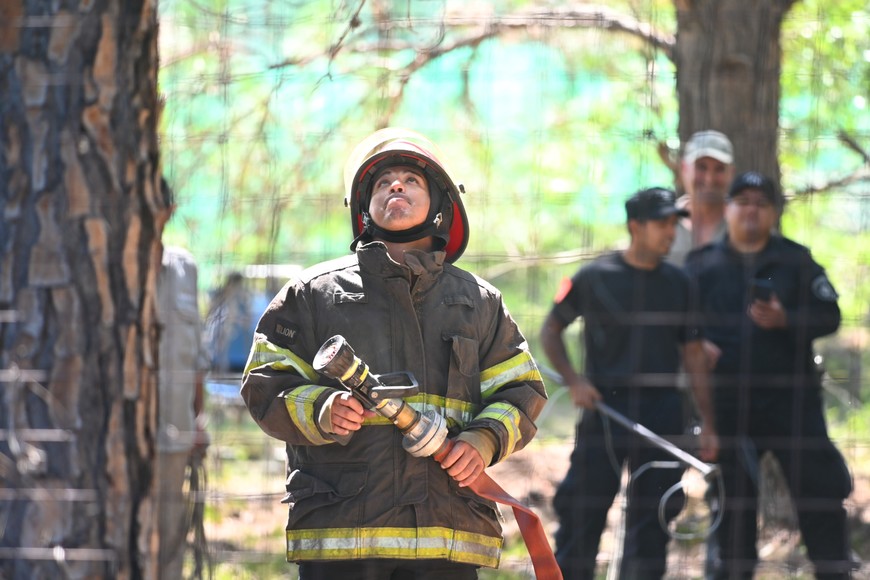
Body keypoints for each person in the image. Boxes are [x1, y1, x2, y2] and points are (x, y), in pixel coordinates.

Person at [240, 128, 548, 580]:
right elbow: (266, 382)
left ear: (442, 205)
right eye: (383, 182)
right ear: (364, 208)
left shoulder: (478, 302)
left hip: (448, 535)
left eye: (411, 180)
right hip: (342, 536)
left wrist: (482, 442)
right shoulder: (313, 295)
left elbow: (521, 391)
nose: (396, 187)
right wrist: (323, 410)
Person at [541, 187, 718, 579]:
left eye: (674, 223)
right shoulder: (594, 277)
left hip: (663, 415)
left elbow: (692, 356)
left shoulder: (680, 283)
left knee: (652, 524)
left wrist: (708, 421)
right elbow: (551, 331)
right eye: (661, 223)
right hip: (603, 410)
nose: (670, 232)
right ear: (634, 226)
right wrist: (575, 381)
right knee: (581, 516)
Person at [685, 171, 853, 579]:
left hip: (793, 406)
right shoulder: (701, 265)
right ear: (728, 209)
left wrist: (787, 319)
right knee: (733, 508)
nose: (751, 210)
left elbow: (830, 316)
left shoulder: (797, 259)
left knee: (819, 498)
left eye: (761, 203)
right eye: (742, 201)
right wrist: (696, 343)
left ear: (774, 213)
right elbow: (677, 326)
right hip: (728, 408)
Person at [155, 243, 210, 578]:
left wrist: (198, 422)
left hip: (174, 435)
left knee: (170, 540)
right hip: (113, 441)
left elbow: (196, 357)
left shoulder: (184, 267)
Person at [666, 130, 735, 267]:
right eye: (701, 167)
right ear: (684, 169)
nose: (709, 179)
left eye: (719, 169)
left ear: (731, 173)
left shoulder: (746, 223)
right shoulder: (663, 222)